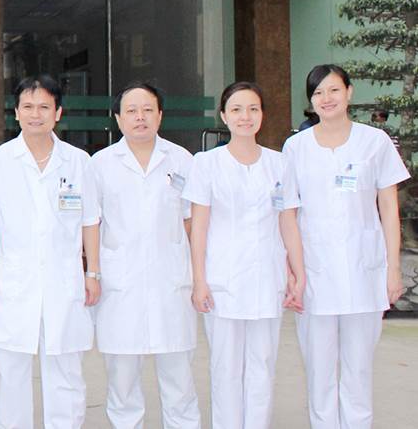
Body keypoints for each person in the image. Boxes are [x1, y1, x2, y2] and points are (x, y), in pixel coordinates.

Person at [281, 64, 409, 428]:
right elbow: (288, 213)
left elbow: (388, 206)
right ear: (311, 101)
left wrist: (393, 269)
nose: (327, 98)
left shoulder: (375, 142)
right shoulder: (296, 147)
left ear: (349, 92)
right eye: (318, 93)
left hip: (364, 271)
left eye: (333, 90)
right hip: (315, 275)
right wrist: (294, 271)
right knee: (319, 373)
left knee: (358, 371)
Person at [0, 75, 100, 429]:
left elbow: (90, 221)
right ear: (16, 113)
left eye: (44, 107)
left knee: (66, 372)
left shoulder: (78, 161)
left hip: (65, 282)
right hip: (14, 282)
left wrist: (93, 274)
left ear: (57, 113)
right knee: (12, 373)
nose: (35, 114)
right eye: (28, 107)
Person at [184, 81, 306, 429]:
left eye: (253, 109)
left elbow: (289, 224)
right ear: (223, 115)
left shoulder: (279, 164)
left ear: (262, 115)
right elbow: (199, 228)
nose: (245, 116)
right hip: (222, 280)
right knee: (225, 368)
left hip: (267, 278)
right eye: (236, 109)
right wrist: (199, 281)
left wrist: (298, 274)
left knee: (262, 365)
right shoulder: (206, 164)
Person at [90, 82, 201, 429]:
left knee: (179, 381)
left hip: (171, 283)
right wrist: (93, 273)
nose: (140, 118)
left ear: (160, 115)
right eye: (132, 111)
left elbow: (192, 221)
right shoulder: (101, 164)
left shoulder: (182, 159)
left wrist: (198, 276)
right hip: (119, 285)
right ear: (118, 120)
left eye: (148, 110)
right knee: (122, 383)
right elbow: (90, 223)